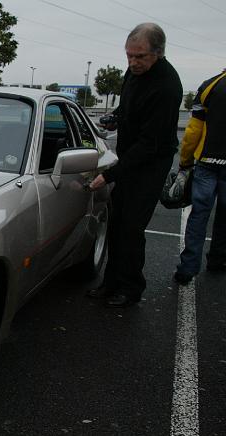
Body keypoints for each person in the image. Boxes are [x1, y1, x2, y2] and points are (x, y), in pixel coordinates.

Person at [87, 23, 183, 307]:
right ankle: (111, 282)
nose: (133, 62)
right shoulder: (133, 72)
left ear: (159, 53)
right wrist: (116, 117)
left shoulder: (166, 86)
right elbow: (129, 106)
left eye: (140, 57)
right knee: (116, 222)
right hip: (131, 156)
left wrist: (110, 174)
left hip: (150, 162)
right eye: (129, 56)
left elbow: (149, 144)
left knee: (131, 226)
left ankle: (130, 288)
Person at [174, 69, 226, 283]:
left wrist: (185, 161)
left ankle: (188, 268)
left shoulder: (210, 85)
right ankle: (217, 259)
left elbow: (193, 130)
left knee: (198, 215)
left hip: (206, 161)